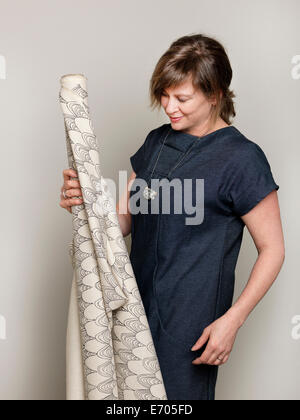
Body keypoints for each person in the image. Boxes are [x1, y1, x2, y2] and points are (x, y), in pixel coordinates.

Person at [59, 34, 285, 400]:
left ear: (215, 95)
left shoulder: (242, 159)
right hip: (131, 311)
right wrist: (87, 203)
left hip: (190, 327)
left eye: (182, 98)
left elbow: (273, 249)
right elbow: (123, 223)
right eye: (164, 95)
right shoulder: (156, 142)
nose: (169, 107)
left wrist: (232, 321)